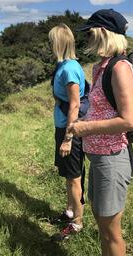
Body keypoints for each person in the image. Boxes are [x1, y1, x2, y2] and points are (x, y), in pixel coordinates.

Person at [68, 9, 133, 256]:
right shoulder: (101, 68)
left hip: (111, 158)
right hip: (97, 156)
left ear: (103, 33)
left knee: (110, 231)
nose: (87, 40)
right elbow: (103, 110)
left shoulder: (119, 68)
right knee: (102, 222)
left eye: (90, 34)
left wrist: (85, 127)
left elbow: (129, 120)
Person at [48, 24, 87, 241]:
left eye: (52, 41)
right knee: (67, 174)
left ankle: (77, 223)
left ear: (59, 43)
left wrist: (68, 138)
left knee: (74, 178)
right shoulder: (63, 65)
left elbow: (74, 104)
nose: (49, 45)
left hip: (70, 129)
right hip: (62, 125)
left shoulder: (70, 68)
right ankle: (70, 211)